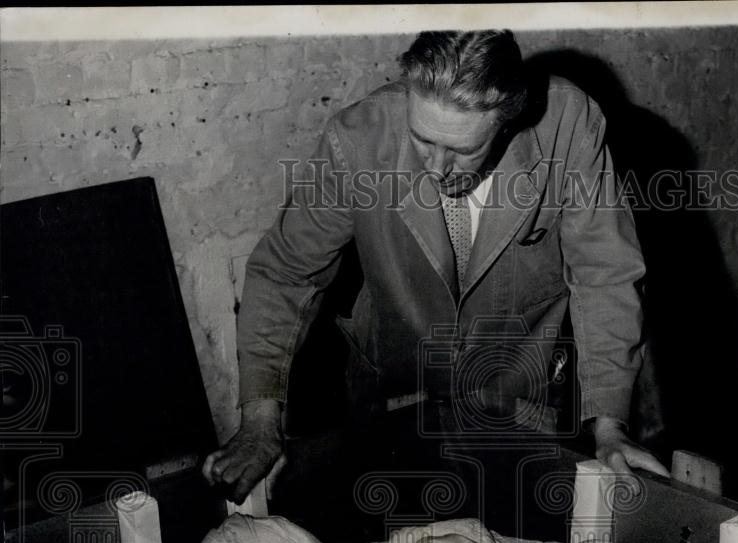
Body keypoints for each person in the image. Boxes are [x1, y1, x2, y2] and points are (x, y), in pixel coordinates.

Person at [203, 29, 669, 509]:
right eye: (423, 140)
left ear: (510, 119)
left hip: (513, 398)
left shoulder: (569, 126)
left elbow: (604, 274)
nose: (437, 168)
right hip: (391, 400)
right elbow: (285, 272)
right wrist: (260, 422)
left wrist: (609, 427)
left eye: (462, 151)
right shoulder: (358, 139)